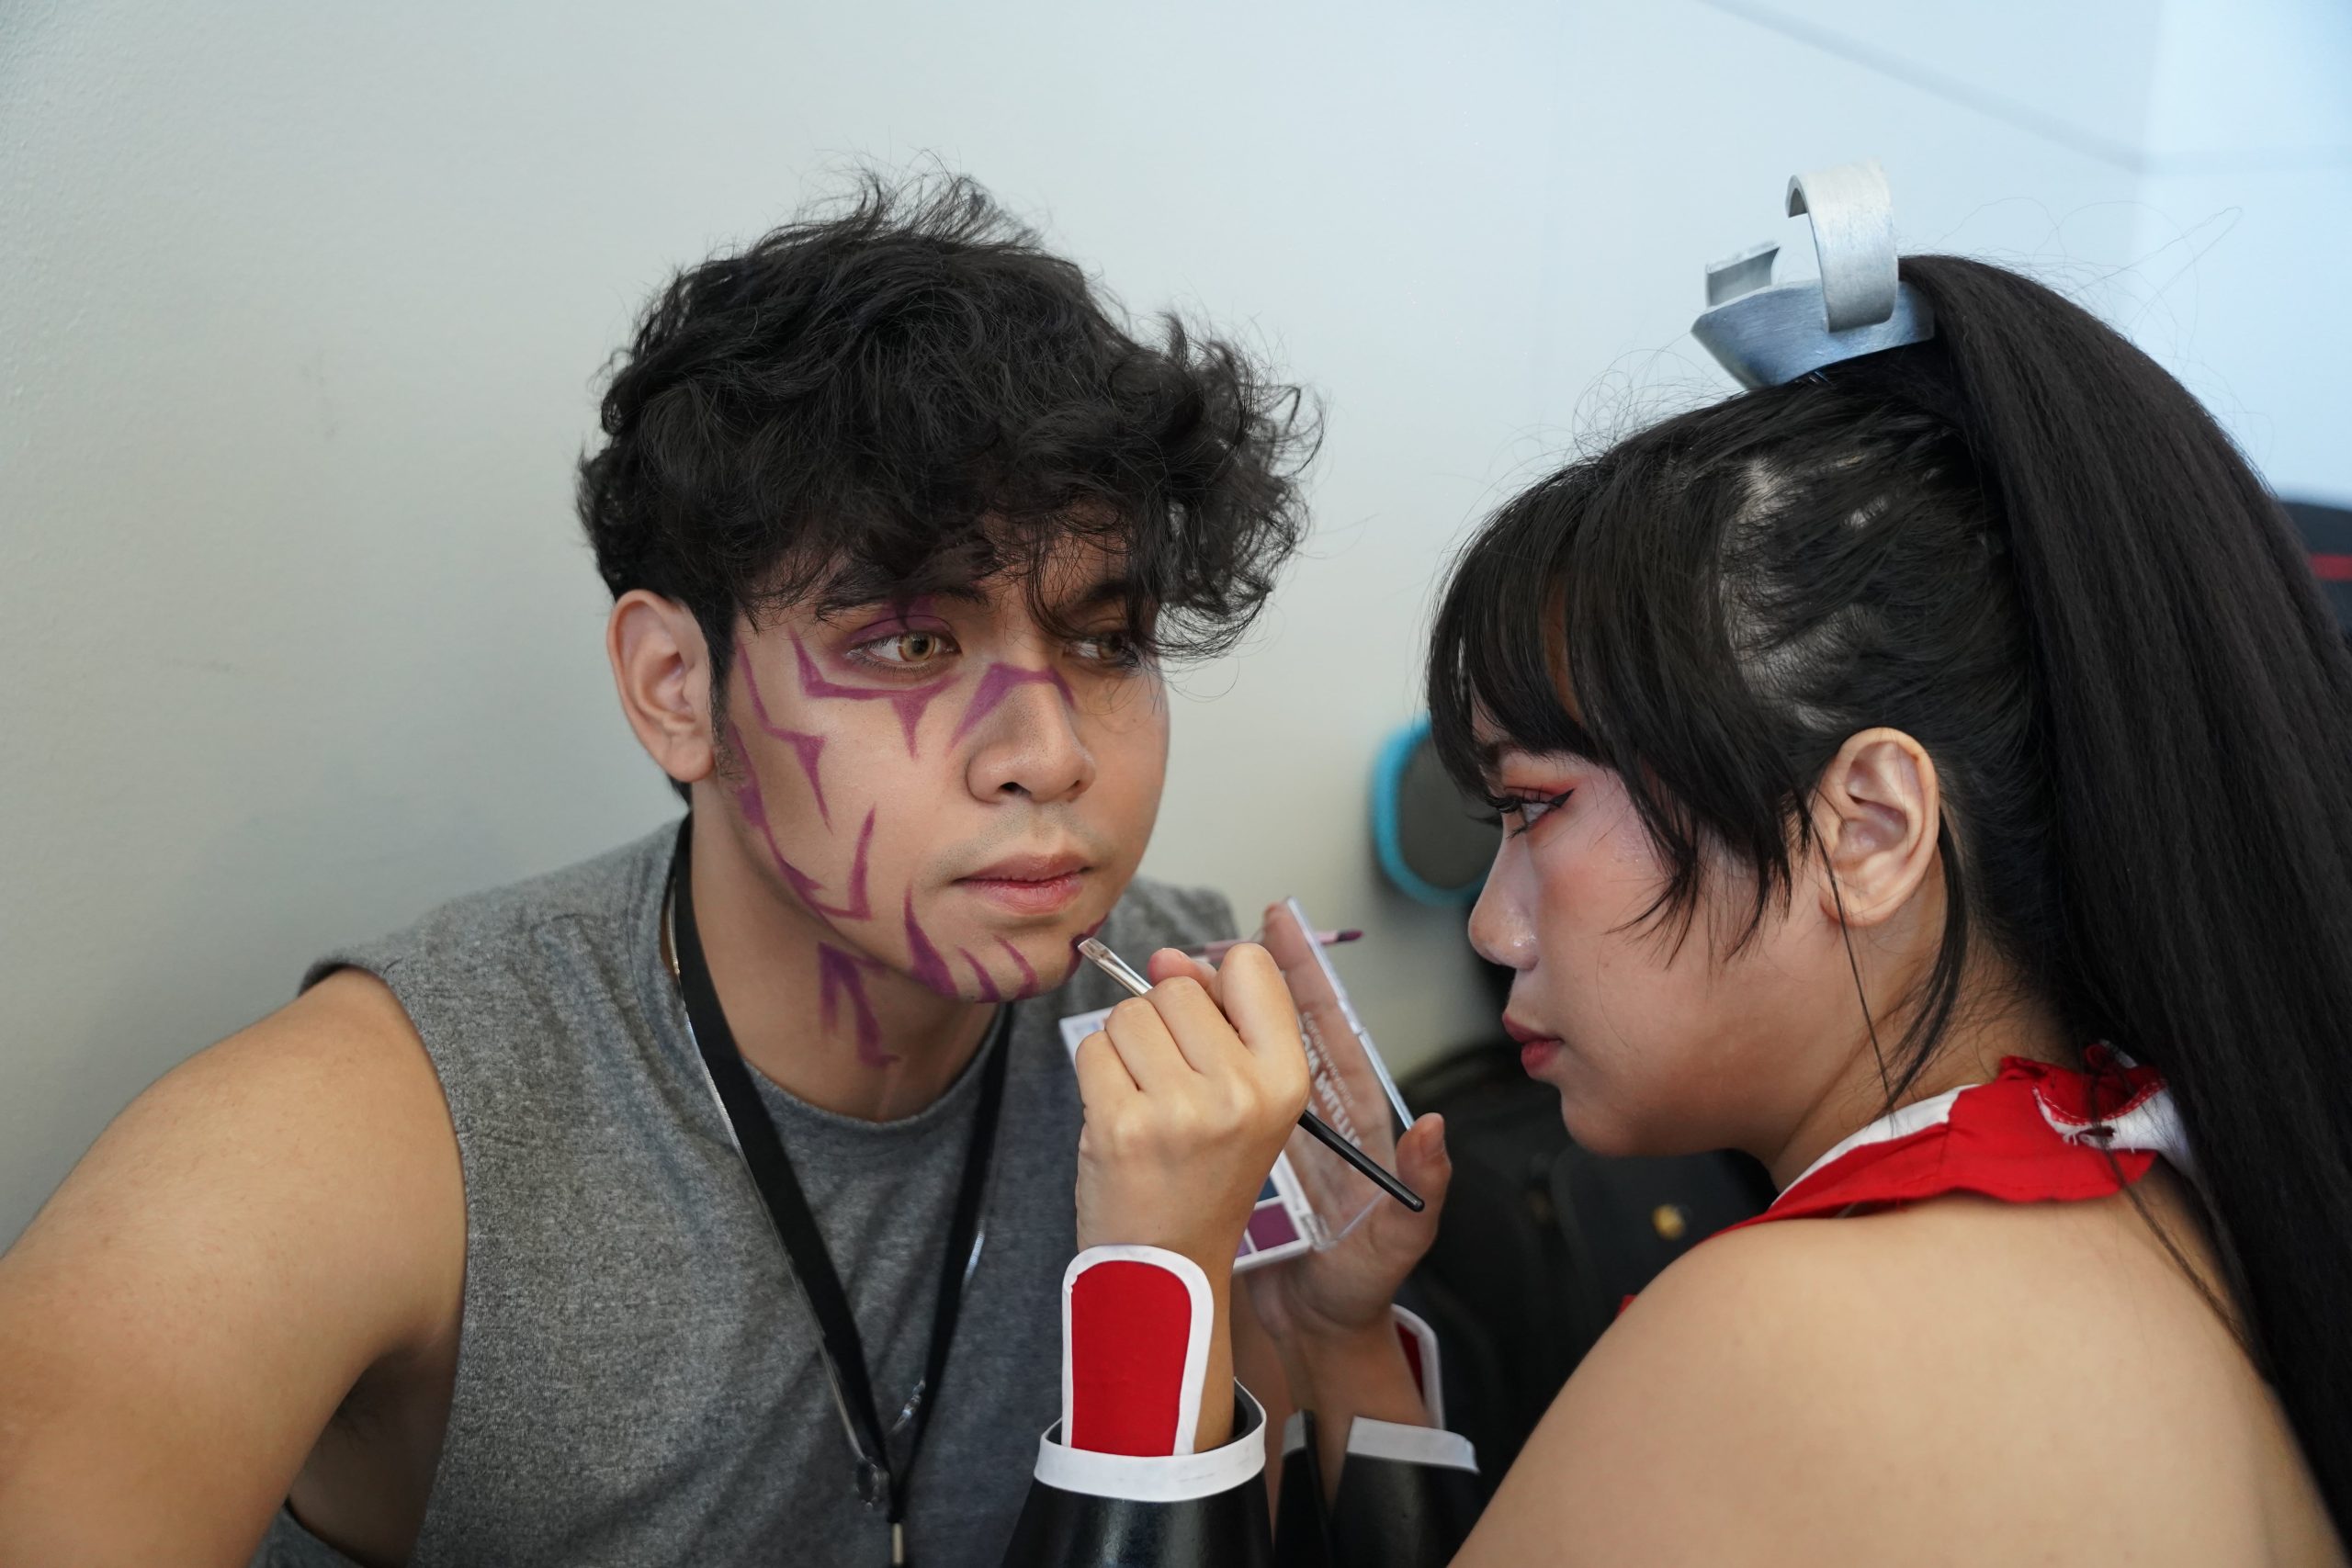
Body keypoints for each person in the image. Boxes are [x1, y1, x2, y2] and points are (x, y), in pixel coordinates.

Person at [993, 166, 2352, 1564]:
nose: (1493, 928)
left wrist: (1156, 1275)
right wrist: (1335, 1340)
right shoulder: (2156, 1190)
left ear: (1870, 831)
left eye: (1536, 808)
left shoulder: (1798, 1335)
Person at [0, 175, 1315, 1567]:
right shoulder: (380, 1133)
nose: (1050, 755)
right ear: (678, 687)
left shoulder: (1188, 1031)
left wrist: (1218, 1285)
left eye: (1106, 642)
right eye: (913, 643)